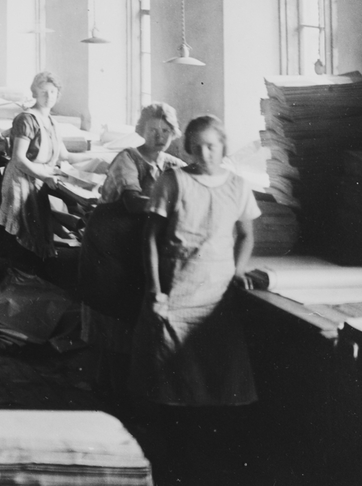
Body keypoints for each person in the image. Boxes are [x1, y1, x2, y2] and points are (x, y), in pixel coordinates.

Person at [129, 115, 259, 478]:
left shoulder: (237, 185)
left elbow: (247, 234)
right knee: (172, 385)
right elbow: (150, 238)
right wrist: (155, 290)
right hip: (176, 296)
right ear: (187, 148)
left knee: (218, 384)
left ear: (223, 146)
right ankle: (173, 465)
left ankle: (206, 467)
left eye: (212, 146)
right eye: (197, 147)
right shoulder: (174, 181)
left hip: (217, 298)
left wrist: (238, 270)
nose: (205, 154)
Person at [80, 102, 184, 405]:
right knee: (111, 314)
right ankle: (107, 392)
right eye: (153, 130)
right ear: (141, 130)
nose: (159, 136)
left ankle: (119, 392)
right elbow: (132, 202)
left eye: (165, 131)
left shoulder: (172, 164)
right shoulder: (128, 158)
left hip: (135, 245)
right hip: (109, 244)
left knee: (129, 318)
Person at [0, 71, 74, 261]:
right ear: (35, 93)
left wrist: (97, 162)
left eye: (53, 92)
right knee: (18, 228)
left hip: (37, 180)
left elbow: (65, 155)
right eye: (43, 92)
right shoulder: (27, 119)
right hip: (20, 180)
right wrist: (45, 176)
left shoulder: (52, 122)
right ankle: (11, 270)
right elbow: (18, 159)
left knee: (36, 228)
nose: (48, 96)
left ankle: (26, 269)